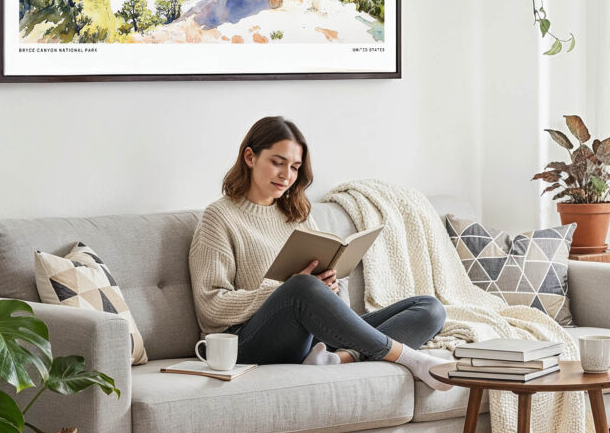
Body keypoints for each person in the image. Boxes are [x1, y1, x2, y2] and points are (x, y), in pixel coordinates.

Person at [188, 116, 454, 390]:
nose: (286, 175)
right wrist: (284, 288)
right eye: (277, 162)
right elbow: (212, 306)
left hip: (309, 336)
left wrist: (330, 288)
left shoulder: (296, 215)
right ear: (250, 157)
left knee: (430, 308)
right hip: (245, 344)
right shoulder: (219, 217)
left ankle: (341, 358)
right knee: (301, 285)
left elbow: (328, 299)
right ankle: (413, 360)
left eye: (294, 167)